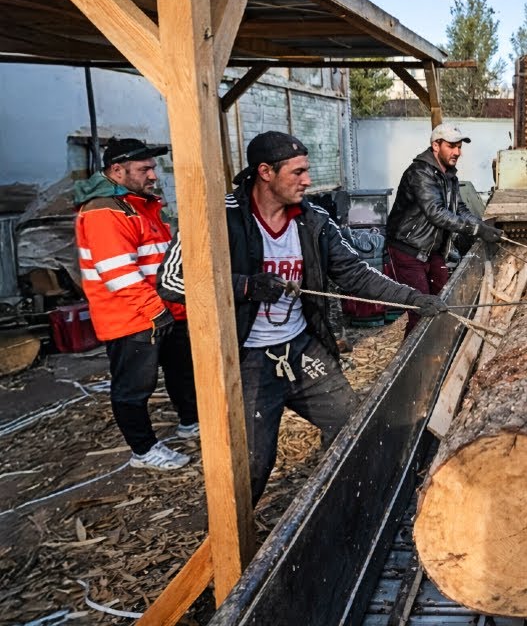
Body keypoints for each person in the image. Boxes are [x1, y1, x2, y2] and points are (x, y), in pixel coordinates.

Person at [157, 131, 447, 502]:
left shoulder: (313, 220)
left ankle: (346, 504)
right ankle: (233, 548)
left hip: (300, 348)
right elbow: (170, 281)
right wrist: (245, 286)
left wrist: (415, 299)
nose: (308, 180)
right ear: (265, 172)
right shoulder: (217, 216)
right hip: (246, 359)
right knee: (253, 463)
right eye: (297, 172)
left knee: (352, 426)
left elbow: (356, 274)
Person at [74, 137, 198, 471]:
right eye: (144, 169)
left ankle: (191, 422)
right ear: (117, 170)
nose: (153, 175)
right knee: (133, 386)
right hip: (132, 317)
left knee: (182, 371)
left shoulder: (139, 204)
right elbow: (118, 273)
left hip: (161, 310)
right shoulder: (105, 211)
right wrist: (155, 310)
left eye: (153, 168)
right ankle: (143, 450)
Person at [385, 123, 503, 336]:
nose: (457, 152)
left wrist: (482, 226)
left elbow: (459, 209)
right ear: (435, 146)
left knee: (444, 298)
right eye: (451, 146)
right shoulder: (419, 173)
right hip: (409, 249)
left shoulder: (449, 176)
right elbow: (436, 213)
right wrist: (475, 230)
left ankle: (440, 345)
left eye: (459, 147)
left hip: (432, 250)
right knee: (422, 310)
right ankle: (413, 364)